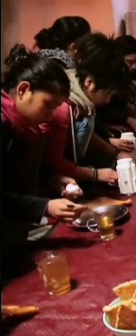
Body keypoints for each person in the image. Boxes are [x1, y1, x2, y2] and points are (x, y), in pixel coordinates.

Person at [1, 46, 86, 260]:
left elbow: (14, 179)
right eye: (48, 105)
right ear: (23, 90)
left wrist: (53, 181)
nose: (50, 116)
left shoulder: (26, 126)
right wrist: (45, 206)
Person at [42, 33, 128, 183]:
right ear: (89, 82)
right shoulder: (63, 107)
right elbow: (53, 162)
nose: (108, 100)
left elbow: (84, 134)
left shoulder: (81, 96)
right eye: (108, 93)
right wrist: (95, 174)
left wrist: (112, 150)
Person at [97, 35, 136, 149]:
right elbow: (102, 109)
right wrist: (127, 118)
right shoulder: (107, 80)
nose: (135, 66)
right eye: (129, 62)